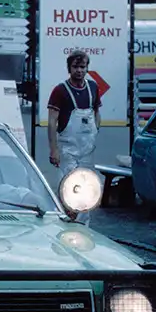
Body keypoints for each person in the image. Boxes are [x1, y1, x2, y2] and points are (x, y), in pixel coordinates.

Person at [47, 50, 102, 224]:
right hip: (67, 150)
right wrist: (54, 149)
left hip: (87, 151)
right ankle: (63, 226)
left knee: (87, 190)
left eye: (83, 67)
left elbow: (97, 112)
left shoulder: (93, 87)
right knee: (68, 189)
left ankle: (84, 228)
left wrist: (95, 131)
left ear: (87, 68)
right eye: (75, 67)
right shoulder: (60, 91)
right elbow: (51, 122)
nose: (79, 70)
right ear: (69, 68)